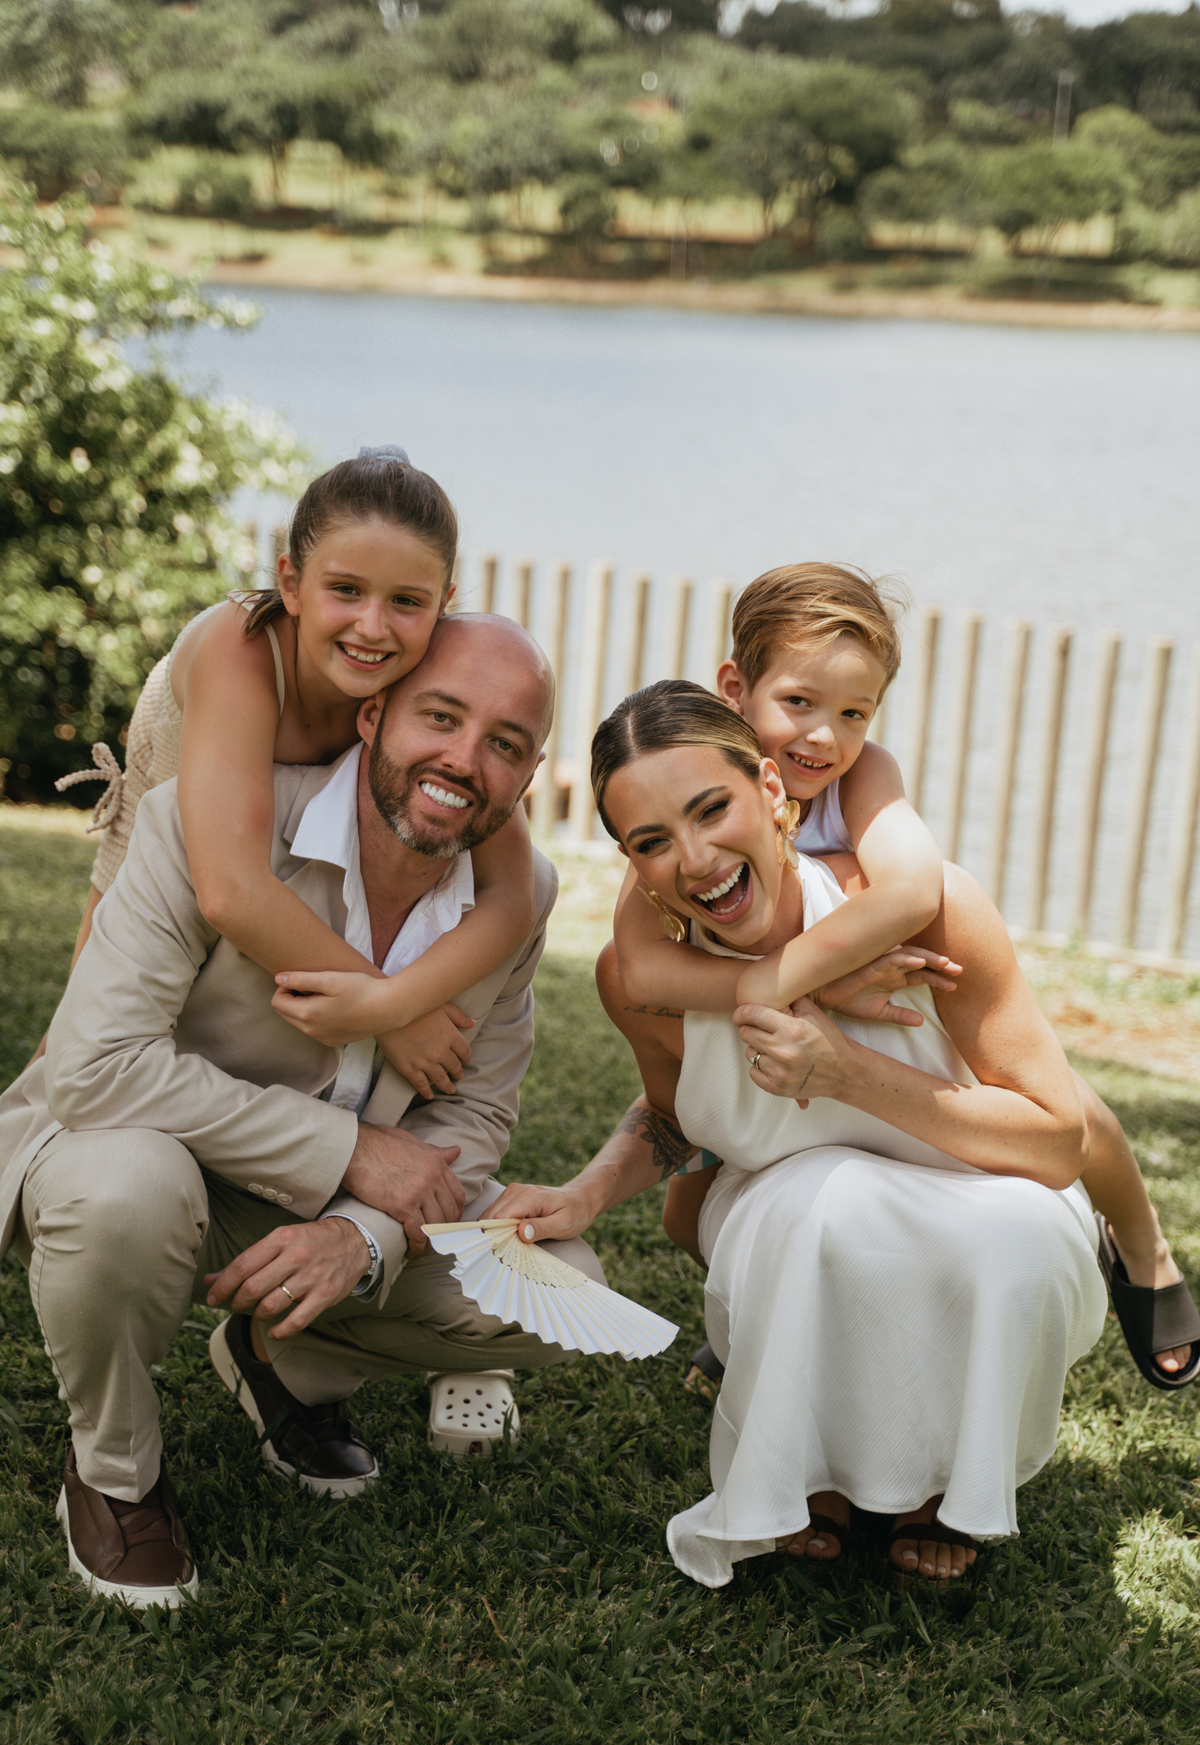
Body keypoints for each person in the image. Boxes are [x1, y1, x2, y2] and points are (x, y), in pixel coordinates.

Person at [0, 614, 605, 1610]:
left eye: (504, 744)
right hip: (145, 1153)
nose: (464, 760)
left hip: (317, 1210)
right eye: (440, 717)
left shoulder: (522, 892)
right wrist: (349, 1152)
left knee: (566, 1286)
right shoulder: (211, 822)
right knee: (123, 1193)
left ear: (530, 775)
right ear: (374, 717)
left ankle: (282, 1360)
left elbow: (474, 1115)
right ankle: (113, 1474)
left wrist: (360, 1238)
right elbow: (95, 1067)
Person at [496, 681, 1109, 1587]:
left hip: (981, 1185)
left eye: (713, 809)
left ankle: (943, 1492)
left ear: (774, 791)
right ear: (630, 862)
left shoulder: (931, 911)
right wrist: (585, 1194)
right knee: (821, 1201)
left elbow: (1059, 1144)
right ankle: (808, 1476)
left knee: (1013, 1235)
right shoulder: (643, 981)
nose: (697, 861)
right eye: (652, 842)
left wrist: (847, 1072)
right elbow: (677, 1117)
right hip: (783, 1209)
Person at [621, 566, 1198, 1390]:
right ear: (736, 689)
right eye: (799, 702)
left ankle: (1144, 1247)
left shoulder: (862, 777)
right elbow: (639, 965)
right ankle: (760, 1312)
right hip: (779, 1024)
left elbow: (912, 890)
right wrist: (792, 991)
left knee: (1061, 1105)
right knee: (687, 1217)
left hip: (888, 996)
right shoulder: (691, 790)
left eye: (854, 713)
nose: (825, 737)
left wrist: (790, 976)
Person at [53, 447, 535, 1102]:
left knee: (233, 999)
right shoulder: (240, 653)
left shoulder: (426, 671)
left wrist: (391, 1002)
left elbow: (513, 896)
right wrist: (393, 1019)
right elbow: (231, 891)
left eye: (406, 601)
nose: (373, 627)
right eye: (345, 590)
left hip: (294, 831)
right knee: (88, 1013)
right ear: (290, 582)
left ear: (443, 604)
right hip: (171, 775)